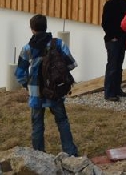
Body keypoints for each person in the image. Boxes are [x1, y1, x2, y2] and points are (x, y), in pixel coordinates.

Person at [15, 14, 79, 156]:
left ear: (32, 29)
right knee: (62, 121)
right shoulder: (58, 44)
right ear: (46, 26)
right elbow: (72, 64)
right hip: (55, 90)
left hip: (35, 92)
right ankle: (70, 152)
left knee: (37, 124)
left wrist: (27, 84)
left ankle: (39, 155)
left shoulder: (27, 48)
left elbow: (19, 73)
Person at [101, 0, 126, 101]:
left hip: (122, 38)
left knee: (119, 65)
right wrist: (112, 36)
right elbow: (105, 23)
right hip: (113, 39)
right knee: (112, 66)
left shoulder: (124, 3)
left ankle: (117, 89)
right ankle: (108, 92)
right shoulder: (109, 5)